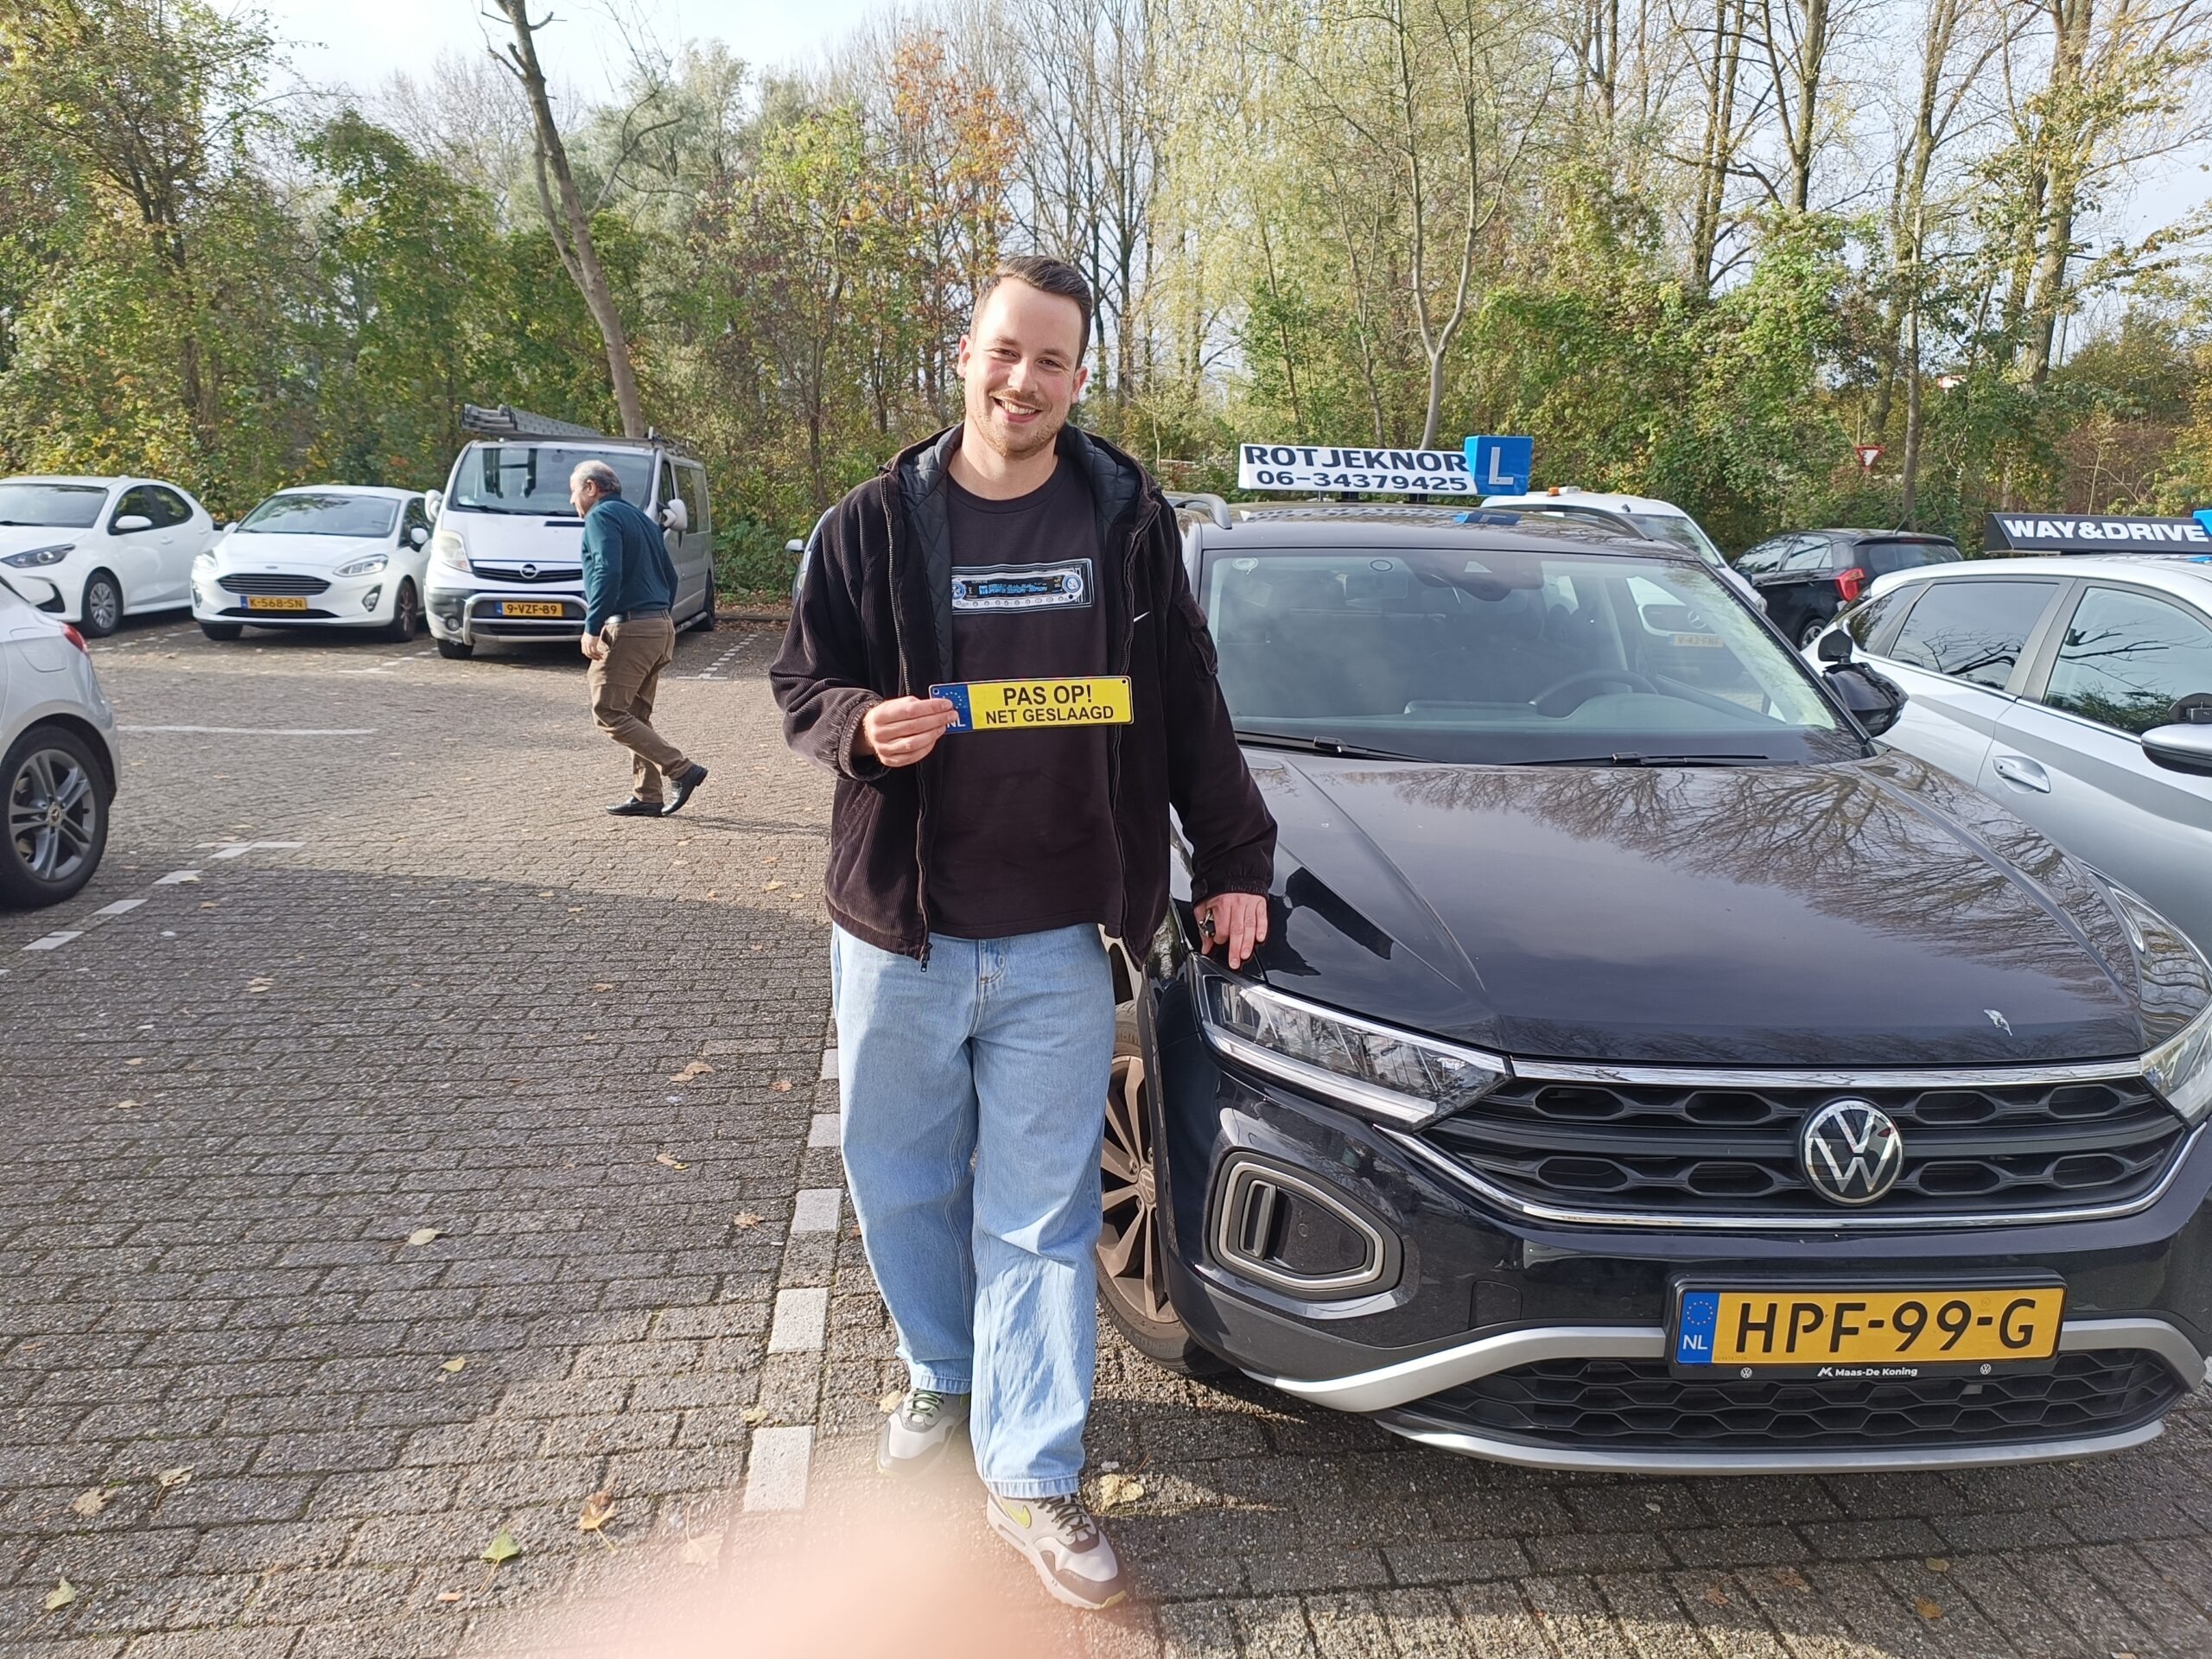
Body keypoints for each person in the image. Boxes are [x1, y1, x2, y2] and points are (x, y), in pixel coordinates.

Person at [771, 256, 1275, 1611]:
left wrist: (1236, 857)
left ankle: (1032, 1471)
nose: (1023, 380)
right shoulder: (872, 523)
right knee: (900, 1178)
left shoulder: (1126, 519)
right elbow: (801, 679)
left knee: (1042, 1216)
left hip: (1060, 936)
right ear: (966, 354)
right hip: (901, 933)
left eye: (1051, 360)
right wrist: (858, 729)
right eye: (1005, 351)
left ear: (1078, 377)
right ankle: (945, 1379)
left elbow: (1186, 693)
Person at [573, 460, 709, 817]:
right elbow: (670, 576)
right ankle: (647, 795)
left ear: (591, 487)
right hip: (659, 627)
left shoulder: (601, 517)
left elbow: (607, 570)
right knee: (635, 714)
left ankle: (681, 769)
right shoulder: (643, 520)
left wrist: (592, 626)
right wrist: (659, 615)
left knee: (608, 711)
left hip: (630, 628)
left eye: (574, 491)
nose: (572, 501)